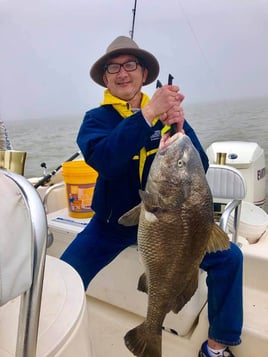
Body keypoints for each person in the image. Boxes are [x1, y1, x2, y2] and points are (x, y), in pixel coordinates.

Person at [61, 36, 243, 357]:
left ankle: (217, 345)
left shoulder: (165, 114)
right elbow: (105, 158)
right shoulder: (96, 120)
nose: (122, 73)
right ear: (105, 79)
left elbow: (198, 166)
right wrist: (145, 116)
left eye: (130, 65)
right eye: (113, 67)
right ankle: (57, 337)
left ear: (144, 74)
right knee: (63, 277)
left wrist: (181, 129)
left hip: (168, 225)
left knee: (230, 258)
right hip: (110, 225)